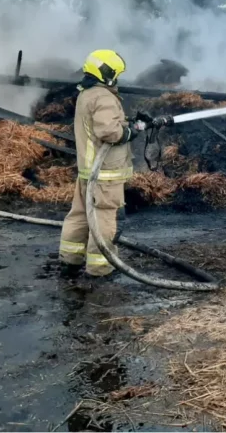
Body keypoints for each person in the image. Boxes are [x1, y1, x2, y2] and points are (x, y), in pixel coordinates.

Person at [58, 50, 145, 280]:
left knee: (79, 215)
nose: (117, 79)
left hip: (88, 171)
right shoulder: (104, 97)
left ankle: (70, 259)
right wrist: (130, 132)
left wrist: (127, 124)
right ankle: (101, 267)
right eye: (115, 74)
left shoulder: (87, 94)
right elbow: (109, 132)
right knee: (105, 219)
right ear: (106, 74)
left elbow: (101, 124)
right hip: (105, 173)